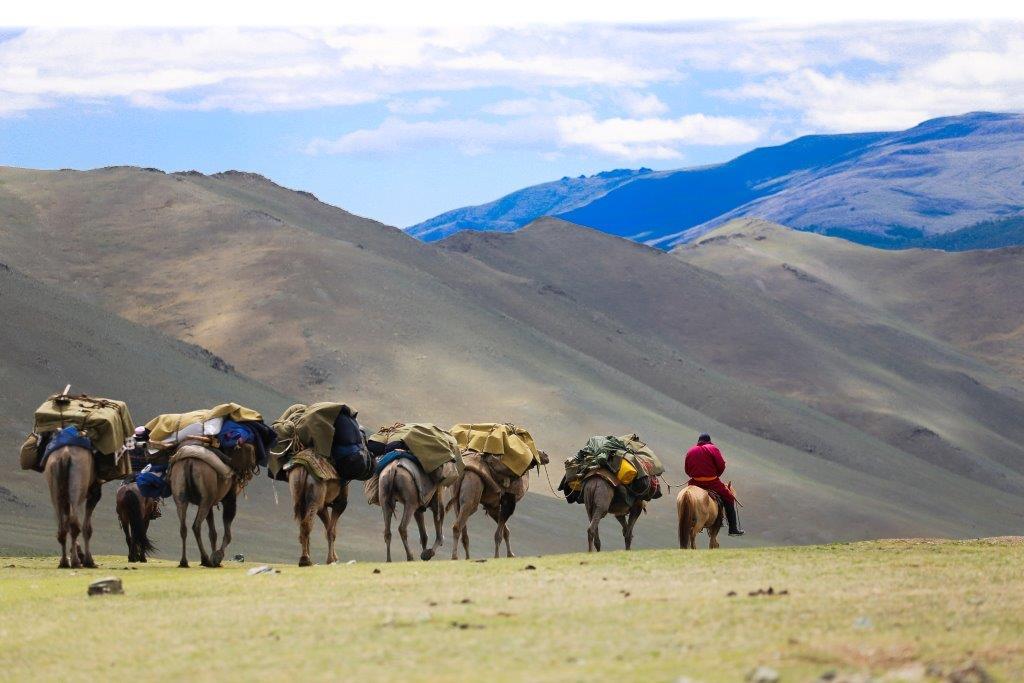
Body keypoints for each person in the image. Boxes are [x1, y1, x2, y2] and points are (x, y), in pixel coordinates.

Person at [684, 433, 744, 536]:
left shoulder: (690, 451)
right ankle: (733, 529)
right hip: (712, 482)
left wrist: (694, 476)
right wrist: (715, 475)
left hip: (695, 482)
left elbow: (687, 469)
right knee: (729, 498)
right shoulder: (712, 448)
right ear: (709, 441)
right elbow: (721, 465)